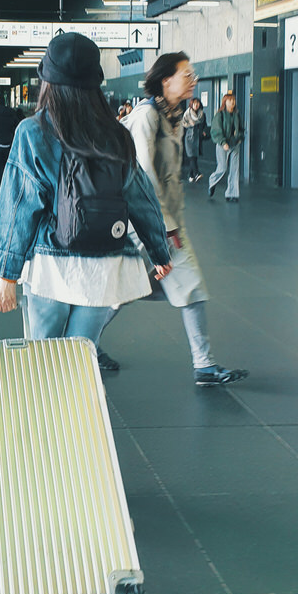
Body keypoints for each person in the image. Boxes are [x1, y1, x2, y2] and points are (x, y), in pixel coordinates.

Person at [0, 32, 171, 348]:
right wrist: (158, 250)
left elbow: (18, 205)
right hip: (104, 263)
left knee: (44, 356)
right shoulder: (116, 134)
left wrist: (7, 275)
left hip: (49, 264)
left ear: (47, 80)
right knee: (80, 357)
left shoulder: (33, 131)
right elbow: (140, 195)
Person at [118, 52, 248, 386]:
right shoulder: (147, 116)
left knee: (133, 288)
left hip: (167, 219)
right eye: (186, 74)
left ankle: (85, 342)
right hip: (149, 223)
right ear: (165, 79)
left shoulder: (174, 115)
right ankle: (204, 365)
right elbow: (143, 175)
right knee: (186, 285)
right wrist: (163, 227)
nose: (193, 80)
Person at [208, 91, 244, 202]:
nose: (232, 102)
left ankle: (232, 194)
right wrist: (223, 142)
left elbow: (241, 129)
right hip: (223, 145)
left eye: (233, 100)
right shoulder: (220, 115)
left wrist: (240, 138)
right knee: (222, 168)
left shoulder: (237, 114)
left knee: (234, 170)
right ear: (225, 102)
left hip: (234, 145)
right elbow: (215, 130)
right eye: (230, 100)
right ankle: (212, 182)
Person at [182, 97, 206, 183]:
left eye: (198, 103)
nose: (196, 105)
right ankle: (196, 173)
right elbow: (183, 124)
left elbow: (204, 125)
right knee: (191, 156)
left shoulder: (202, 114)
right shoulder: (187, 114)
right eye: (194, 103)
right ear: (191, 104)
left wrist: (203, 131)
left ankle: (191, 175)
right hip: (189, 138)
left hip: (197, 138)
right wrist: (190, 124)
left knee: (194, 157)